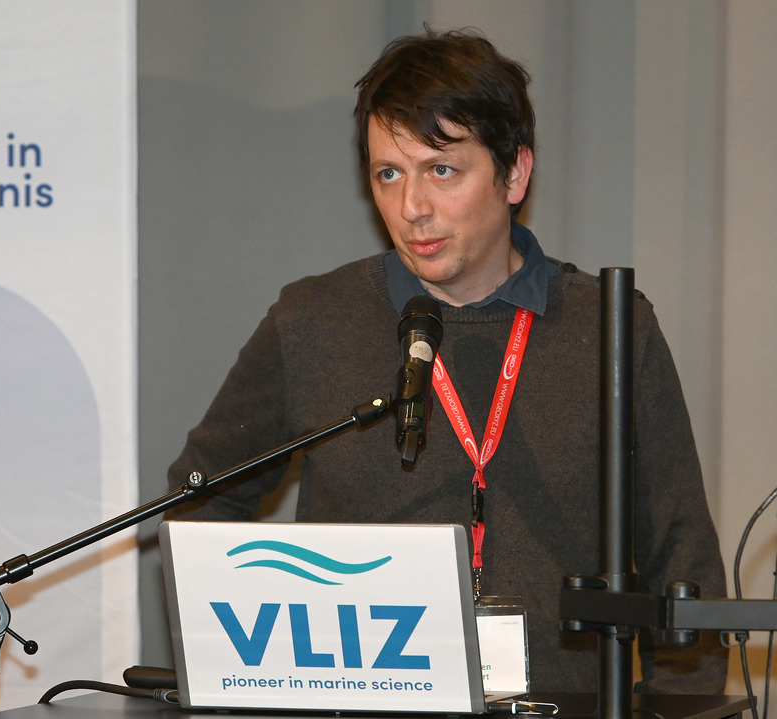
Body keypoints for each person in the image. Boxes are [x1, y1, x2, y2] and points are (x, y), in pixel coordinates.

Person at [165, 28, 727, 695]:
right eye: (389, 174)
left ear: (514, 173)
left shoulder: (610, 328)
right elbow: (197, 505)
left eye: (442, 170)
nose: (412, 209)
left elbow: (681, 561)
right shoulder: (311, 322)